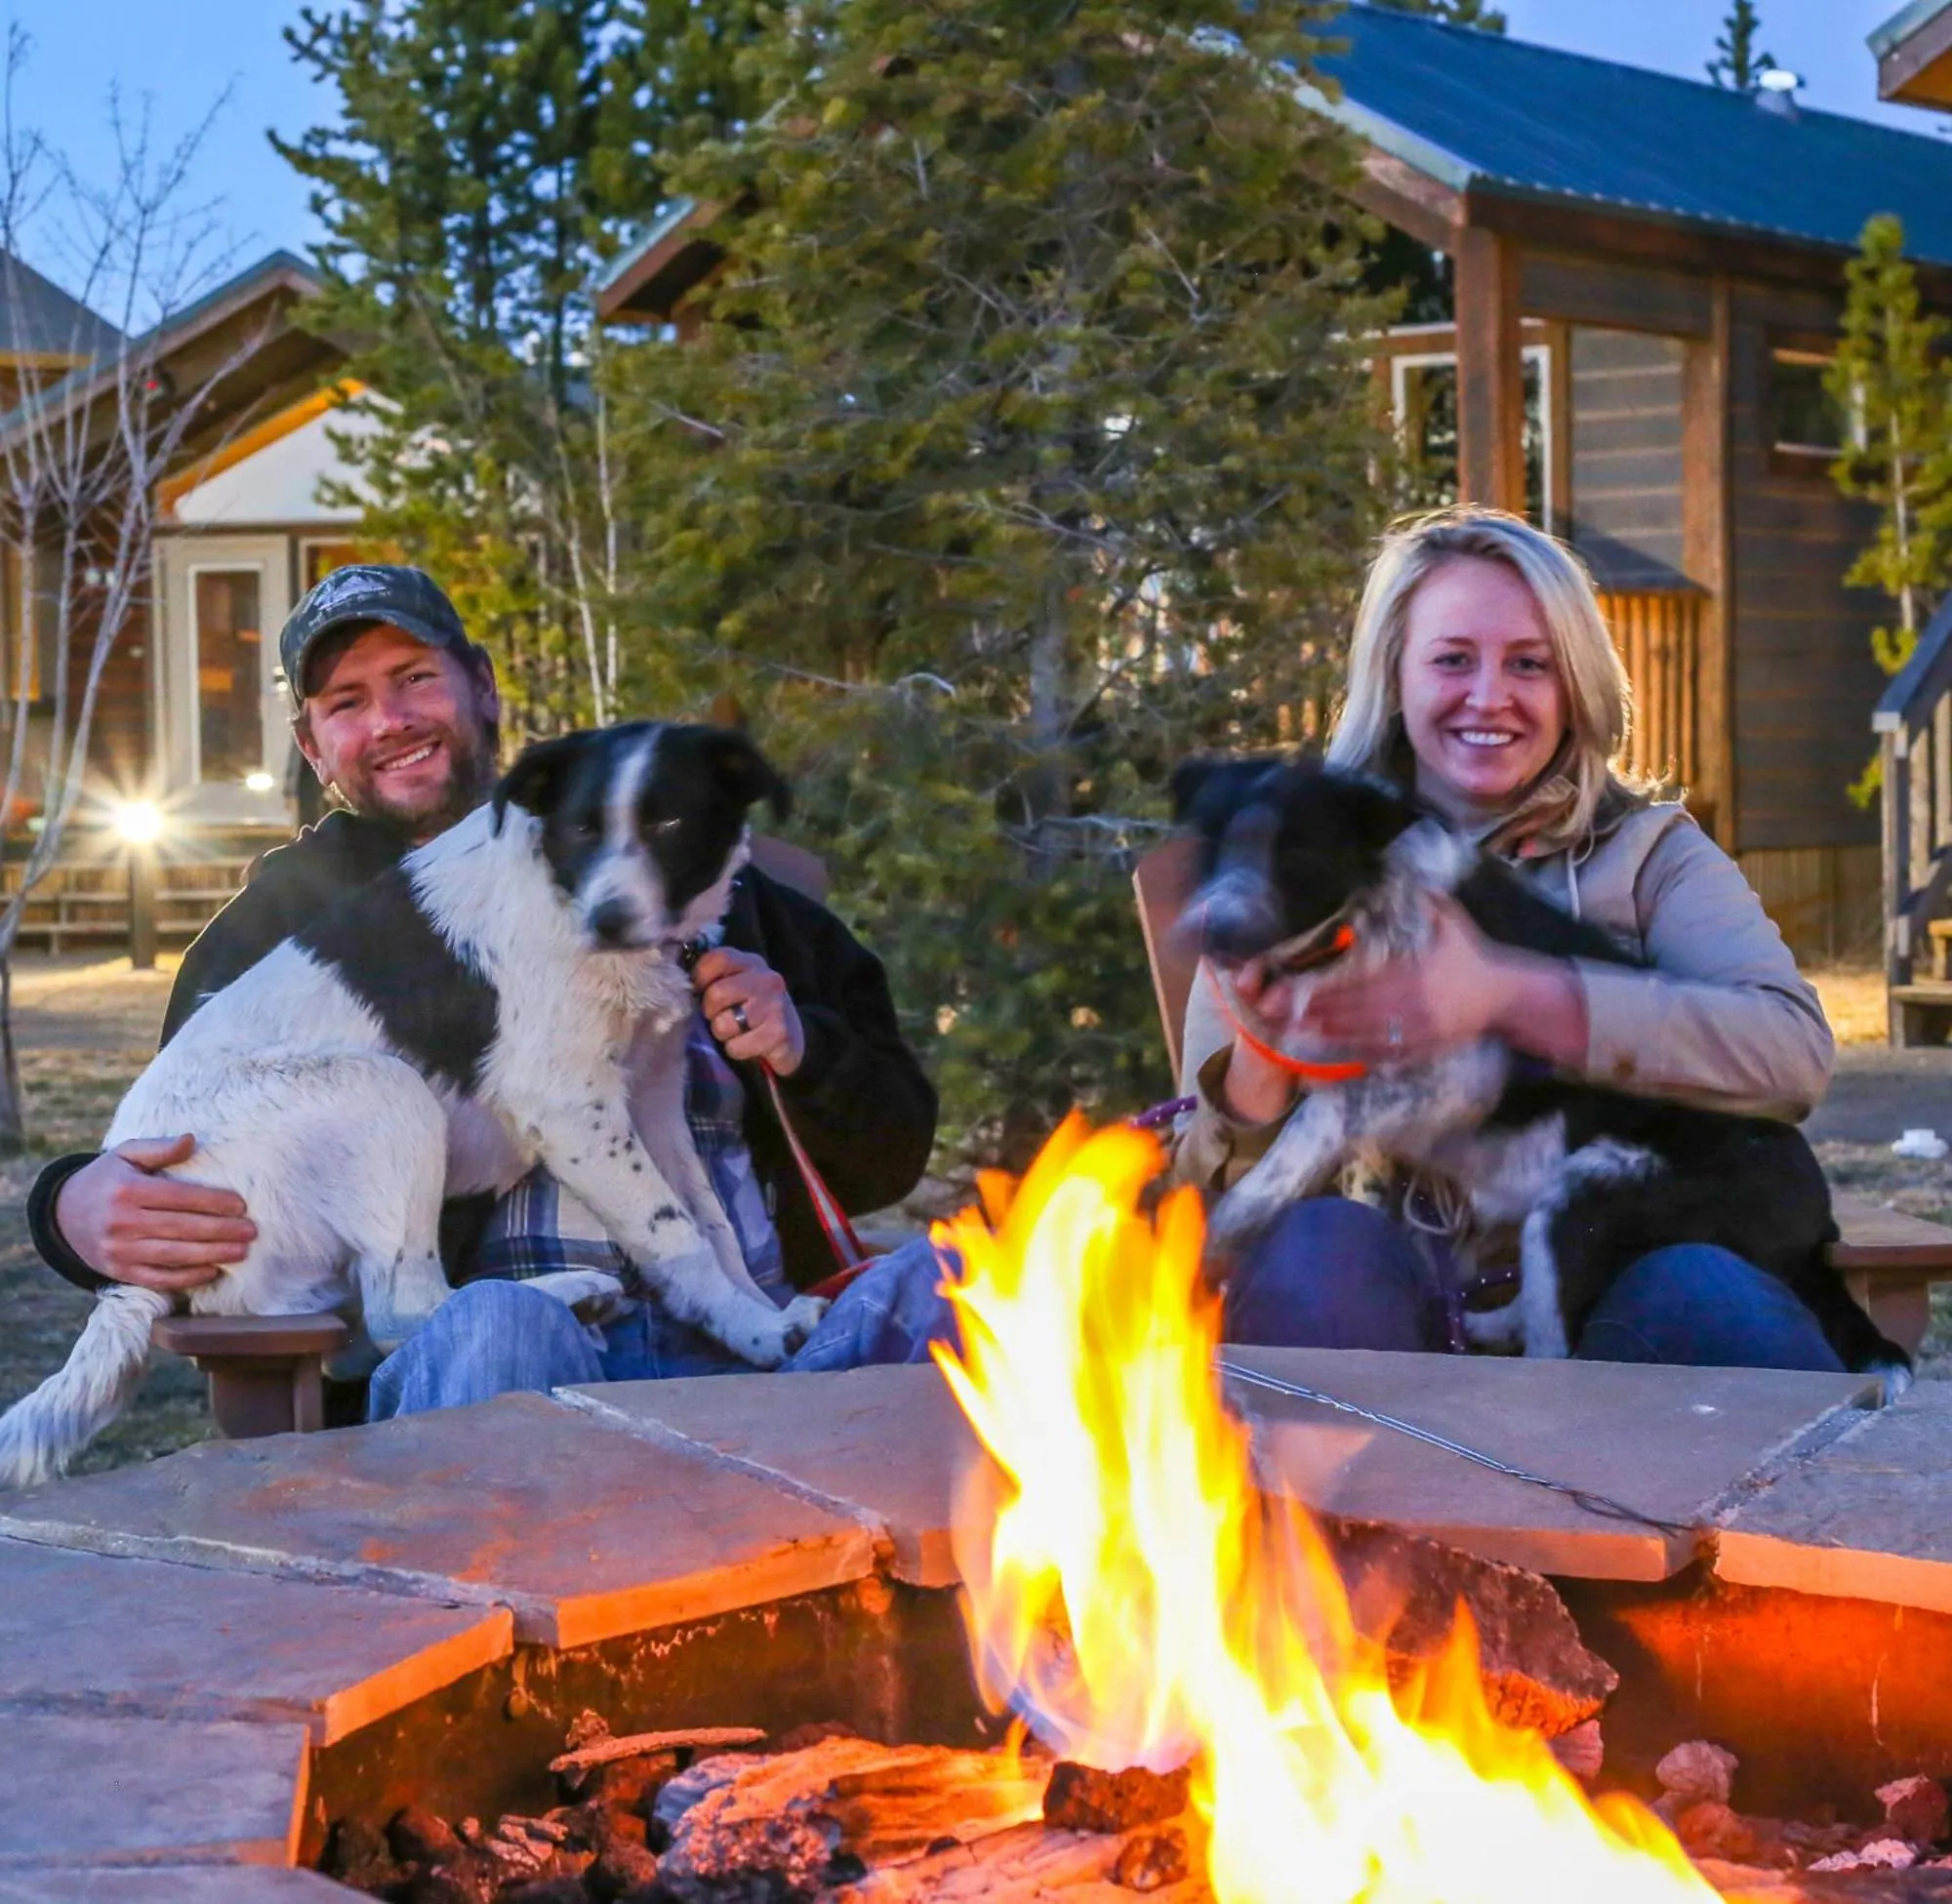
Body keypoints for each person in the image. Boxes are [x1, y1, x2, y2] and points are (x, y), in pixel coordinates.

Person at [27, 564, 954, 1414]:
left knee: (958, 1281)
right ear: (313, 747)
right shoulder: (277, 931)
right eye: (348, 701)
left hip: (769, 1345)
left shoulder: (710, 877)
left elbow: (892, 1157)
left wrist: (804, 1049)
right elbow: (193, 1140)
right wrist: (70, 1209)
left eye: (416, 679)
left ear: (484, 687)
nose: (391, 719)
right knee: (499, 1323)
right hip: (523, 1377)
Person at [1174, 506, 1845, 1372]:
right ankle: (1334, 1511)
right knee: (1319, 1252)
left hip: (1612, 1280)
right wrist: (1266, 1057)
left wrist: (1519, 995)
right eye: (1453, 659)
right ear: (1395, 674)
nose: (1489, 696)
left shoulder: (1648, 857)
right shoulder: (1278, 867)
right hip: (1379, 1306)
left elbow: (1791, 1054)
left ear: (1575, 685)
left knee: (1707, 1295)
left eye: (1529, 663)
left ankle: (1815, 1508)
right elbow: (1204, 1189)